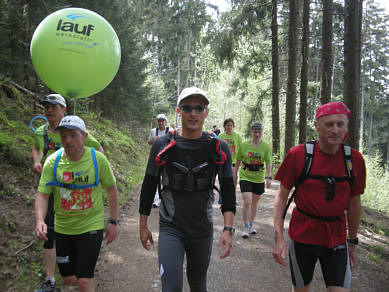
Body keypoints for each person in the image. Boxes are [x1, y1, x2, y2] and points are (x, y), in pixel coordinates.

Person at [139, 87, 236, 292]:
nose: (193, 113)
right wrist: (143, 225)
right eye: (188, 108)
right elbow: (149, 185)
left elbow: (228, 190)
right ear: (178, 111)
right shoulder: (162, 145)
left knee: (198, 285)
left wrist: (228, 229)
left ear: (206, 112)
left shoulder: (218, 148)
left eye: (199, 108)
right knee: (171, 287)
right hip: (171, 228)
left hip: (202, 230)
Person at [272, 102, 366, 292]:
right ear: (316, 126)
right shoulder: (298, 155)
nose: (335, 130)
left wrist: (352, 241)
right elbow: (282, 196)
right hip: (303, 237)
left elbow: (355, 204)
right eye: (329, 124)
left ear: (347, 127)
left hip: (337, 238)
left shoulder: (354, 160)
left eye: (340, 124)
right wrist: (278, 237)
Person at [35, 115, 119, 292]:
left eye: (73, 135)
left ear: (84, 137)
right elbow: (42, 195)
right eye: (64, 136)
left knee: (84, 280)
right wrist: (40, 221)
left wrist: (113, 221)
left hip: (91, 226)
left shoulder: (98, 160)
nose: (67, 140)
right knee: (68, 278)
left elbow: (111, 191)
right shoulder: (53, 162)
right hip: (63, 228)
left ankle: (87, 285)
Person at [233, 121, 272, 238]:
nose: (257, 134)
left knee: (254, 203)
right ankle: (245, 227)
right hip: (246, 176)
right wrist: (235, 175)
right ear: (252, 132)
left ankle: (251, 224)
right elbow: (238, 160)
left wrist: (269, 176)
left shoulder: (265, 146)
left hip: (259, 177)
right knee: (247, 201)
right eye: (255, 132)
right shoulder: (244, 145)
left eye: (259, 132)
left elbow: (268, 161)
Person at [147, 113, 170, 207]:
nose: (160, 123)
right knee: (155, 178)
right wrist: (153, 140)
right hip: (155, 159)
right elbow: (149, 142)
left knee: (167, 178)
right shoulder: (153, 131)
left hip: (168, 159)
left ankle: (165, 199)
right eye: (159, 121)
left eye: (162, 121)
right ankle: (156, 199)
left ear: (166, 122)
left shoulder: (170, 131)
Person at [218, 118, 242, 204]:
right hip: (223, 161)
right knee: (223, 179)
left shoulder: (237, 136)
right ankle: (222, 198)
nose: (230, 127)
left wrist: (241, 160)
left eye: (231, 125)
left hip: (234, 161)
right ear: (225, 126)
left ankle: (232, 198)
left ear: (233, 126)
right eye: (228, 125)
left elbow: (240, 149)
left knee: (234, 180)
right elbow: (217, 148)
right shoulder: (221, 136)